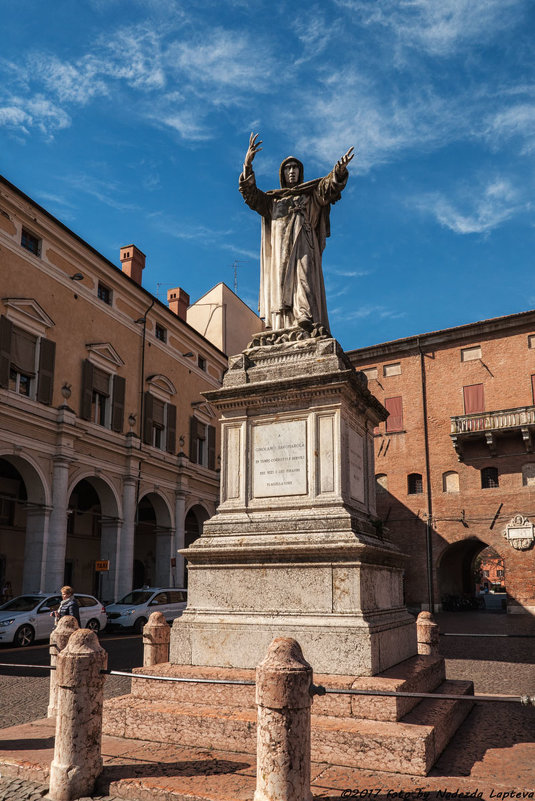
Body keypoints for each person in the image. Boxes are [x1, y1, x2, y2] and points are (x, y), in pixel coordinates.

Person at [239, 132, 354, 332]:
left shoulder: (311, 194)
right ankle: (282, 326)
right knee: (281, 283)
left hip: (304, 241)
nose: (291, 171)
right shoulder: (273, 200)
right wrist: (247, 166)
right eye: (288, 168)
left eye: (295, 168)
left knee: (304, 277)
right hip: (280, 249)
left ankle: (305, 317)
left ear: (300, 172)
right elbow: (251, 196)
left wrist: (339, 171)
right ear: (282, 174)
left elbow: (328, 188)